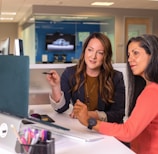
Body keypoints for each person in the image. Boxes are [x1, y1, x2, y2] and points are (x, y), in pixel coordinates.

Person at [73, 34, 158, 154]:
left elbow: (127, 132)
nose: (129, 59)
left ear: (152, 55)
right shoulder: (149, 88)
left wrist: (89, 121)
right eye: (128, 55)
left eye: (136, 53)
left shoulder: (153, 92)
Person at [46, 32, 125, 123]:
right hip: (82, 128)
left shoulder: (116, 77)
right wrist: (55, 87)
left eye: (100, 53)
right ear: (84, 51)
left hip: (106, 130)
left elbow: (118, 114)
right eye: (90, 50)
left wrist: (89, 114)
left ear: (105, 56)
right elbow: (61, 109)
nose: (93, 56)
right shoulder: (70, 73)